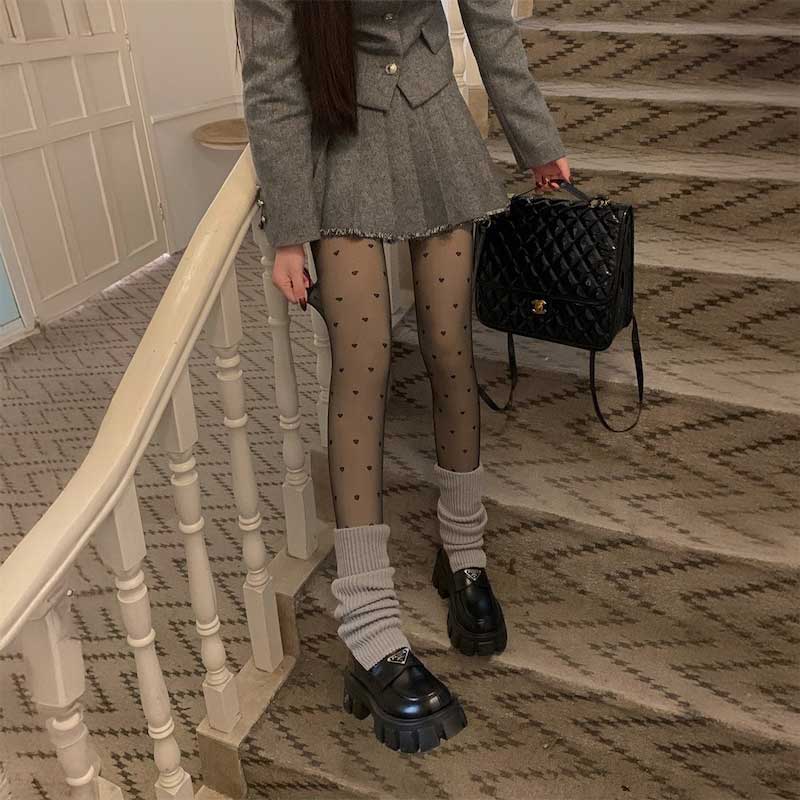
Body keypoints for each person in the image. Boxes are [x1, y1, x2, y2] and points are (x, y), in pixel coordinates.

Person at [235, 0, 570, 753]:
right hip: (339, 135)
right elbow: (272, 77)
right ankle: (367, 620)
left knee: (450, 348)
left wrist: (537, 140)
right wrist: (288, 228)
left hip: (433, 123)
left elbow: (490, 22)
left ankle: (464, 555)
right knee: (364, 365)